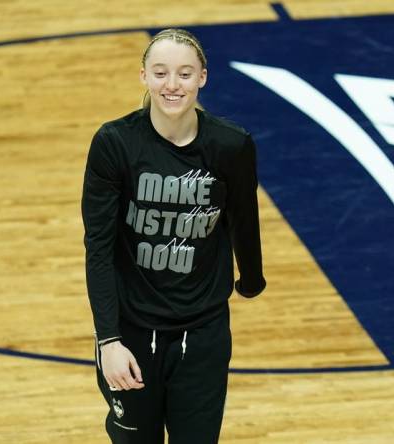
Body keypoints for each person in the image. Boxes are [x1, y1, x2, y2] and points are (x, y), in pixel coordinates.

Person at [81, 28, 266, 443]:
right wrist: (108, 340)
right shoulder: (115, 144)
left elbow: (242, 217)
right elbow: (99, 247)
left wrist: (251, 278)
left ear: (203, 77)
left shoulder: (231, 145)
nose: (172, 84)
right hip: (130, 329)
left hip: (202, 332)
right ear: (143, 76)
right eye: (160, 72)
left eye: (184, 74)